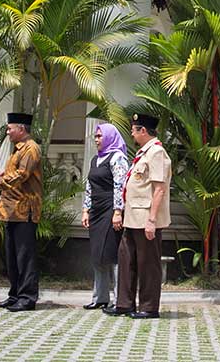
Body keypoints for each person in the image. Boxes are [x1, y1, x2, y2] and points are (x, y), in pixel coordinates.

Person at [105, 113, 171, 319]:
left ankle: (149, 307)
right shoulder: (144, 153)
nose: (131, 134)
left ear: (143, 131)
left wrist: (152, 220)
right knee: (127, 260)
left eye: (134, 130)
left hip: (146, 218)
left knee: (147, 263)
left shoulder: (157, 152)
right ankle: (124, 303)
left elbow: (159, 189)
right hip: (132, 217)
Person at [0, 112, 42, 312]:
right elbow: (8, 176)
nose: (7, 132)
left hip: (25, 211)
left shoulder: (31, 149)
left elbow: (20, 175)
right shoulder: (17, 150)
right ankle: (15, 294)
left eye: (10, 128)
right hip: (11, 210)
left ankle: (27, 297)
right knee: (13, 257)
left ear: (21, 129)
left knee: (25, 257)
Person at [81, 123, 129, 310]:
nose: (97, 139)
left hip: (111, 210)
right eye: (96, 136)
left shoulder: (117, 158)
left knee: (112, 254)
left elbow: (120, 186)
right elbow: (89, 186)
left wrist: (118, 211)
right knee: (97, 255)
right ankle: (100, 297)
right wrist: (86, 209)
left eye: (100, 136)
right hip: (96, 211)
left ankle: (119, 300)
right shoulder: (95, 160)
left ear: (109, 137)